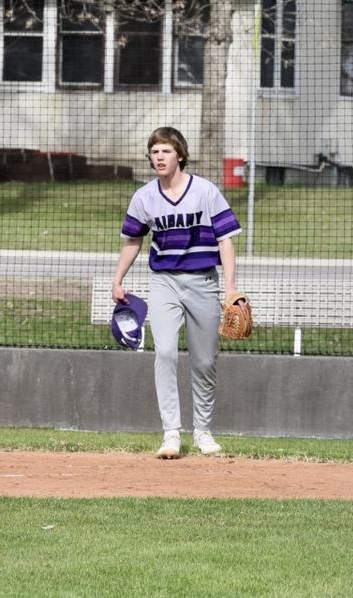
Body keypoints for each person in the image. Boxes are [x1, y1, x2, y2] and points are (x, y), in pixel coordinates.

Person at [111, 127, 242, 459]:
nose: (159, 157)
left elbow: (225, 239)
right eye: (154, 151)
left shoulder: (205, 191)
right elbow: (133, 240)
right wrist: (118, 279)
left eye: (166, 151)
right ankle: (171, 433)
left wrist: (230, 287)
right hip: (164, 282)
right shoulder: (144, 197)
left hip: (203, 282)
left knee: (205, 360)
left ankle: (203, 432)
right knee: (165, 352)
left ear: (180, 155)